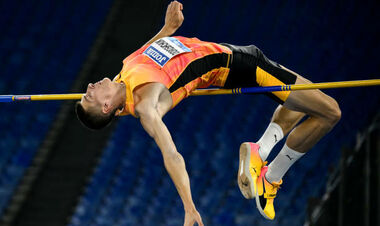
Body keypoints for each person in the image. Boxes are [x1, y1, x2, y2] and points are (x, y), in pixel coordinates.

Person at [75, 1, 341, 225]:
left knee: (300, 104)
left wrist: (168, 29)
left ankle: (260, 151)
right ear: (107, 107)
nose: (89, 86)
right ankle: (271, 178)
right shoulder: (146, 103)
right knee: (330, 113)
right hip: (241, 66)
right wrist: (189, 207)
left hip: (239, 54)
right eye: (89, 96)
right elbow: (172, 155)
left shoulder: (124, 73)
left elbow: (147, 54)